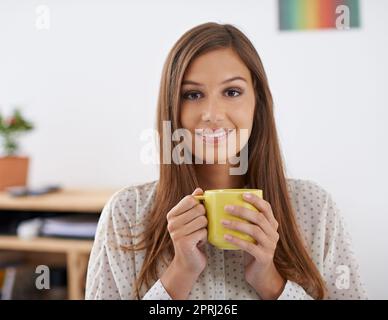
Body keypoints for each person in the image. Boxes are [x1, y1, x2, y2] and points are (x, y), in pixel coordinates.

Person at [85, 22, 366, 300]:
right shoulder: (125, 214)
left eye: (232, 92)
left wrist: (270, 282)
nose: (213, 113)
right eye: (192, 95)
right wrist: (179, 274)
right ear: (173, 107)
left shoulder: (315, 209)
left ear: (258, 102)